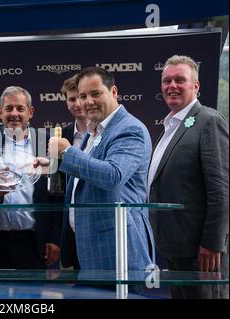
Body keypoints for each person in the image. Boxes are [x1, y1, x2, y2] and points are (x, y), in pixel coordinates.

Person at [42, 66, 154, 271]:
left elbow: (113, 175)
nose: (87, 102)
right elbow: (87, 175)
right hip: (87, 245)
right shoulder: (96, 130)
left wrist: (67, 152)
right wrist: (51, 164)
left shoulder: (130, 128)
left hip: (117, 247)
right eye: (83, 96)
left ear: (114, 92)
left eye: (95, 94)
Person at [148, 55, 229, 299]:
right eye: (166, 81)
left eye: (179, 80)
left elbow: (222, 189)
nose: (171, 86)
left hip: (202, 253)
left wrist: (213, 243)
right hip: (175, 249)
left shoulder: (209, 121)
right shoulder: (171, 126)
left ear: (196, 86)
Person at [0, 86, 61, 269]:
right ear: (0, 111)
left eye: (20, 108)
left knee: (32, 296)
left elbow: (58, 195)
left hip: (34, 242)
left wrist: (55, 238)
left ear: (30, 112)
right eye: (9, 108)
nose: (14, 114)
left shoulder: (48, 143)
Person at [59, 74, 89, 269]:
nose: (77, 103)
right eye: (71, 99)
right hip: (70, 228)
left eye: (81, 96)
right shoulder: (60, 136)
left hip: (96, 221)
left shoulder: (106, 134)